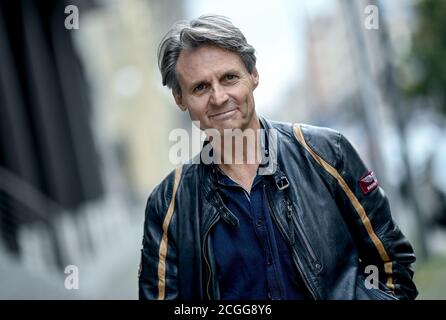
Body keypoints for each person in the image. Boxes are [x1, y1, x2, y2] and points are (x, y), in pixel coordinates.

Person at [138, 14, 418, 300]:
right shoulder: (168, 205)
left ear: (253, 75)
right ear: (180, 99)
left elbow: (392, 261)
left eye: (229, 78)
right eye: (200, 87)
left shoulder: (326, 153)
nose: (219, 97)